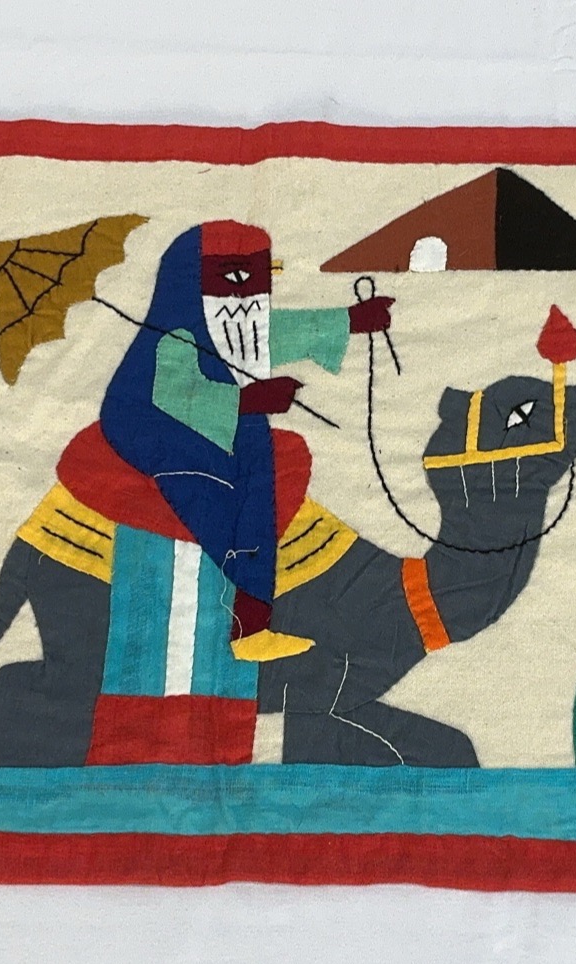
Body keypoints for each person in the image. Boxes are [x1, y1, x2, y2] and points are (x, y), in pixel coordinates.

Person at [99, 220, 391, 663]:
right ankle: (240, 619)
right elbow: (174, 395)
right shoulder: (177, 330)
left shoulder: (237, 322)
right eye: (236, 278)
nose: (250, 295)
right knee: (218, 497)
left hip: (227, 421)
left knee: (259, 470)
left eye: (261, 277)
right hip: (155, 429)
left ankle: (253, 622)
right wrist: (249, 399)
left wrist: (350, 320)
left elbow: (275, 331)